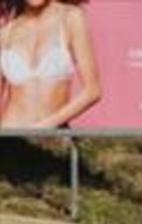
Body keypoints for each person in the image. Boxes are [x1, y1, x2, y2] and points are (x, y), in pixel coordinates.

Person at [0, 0, 100, 129]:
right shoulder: (5, 34)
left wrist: (46, 126)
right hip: (10, 135)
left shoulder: (70, 18)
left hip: (53, 136)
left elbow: (92, 91)